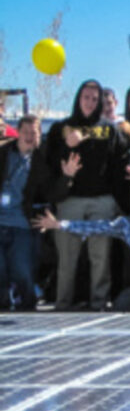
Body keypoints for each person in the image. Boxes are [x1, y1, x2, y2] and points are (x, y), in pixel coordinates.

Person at [45, 79, 130, 310]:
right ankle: (63, 304)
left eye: (95, 99)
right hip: (70, 200)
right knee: (67, 258)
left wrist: (119, 199)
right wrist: (67, 148)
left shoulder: (110, 129)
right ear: (78, 98)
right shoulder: (61, 128)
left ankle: (99, 303)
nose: (90, 102)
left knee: (100, 257)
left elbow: (120, 163)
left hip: (101, 201)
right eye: (86, 97)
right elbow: (49, 161)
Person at [0, 116, 50, 310]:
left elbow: (51, 190)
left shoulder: (41, 160)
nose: (30, 136)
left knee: (22, 271)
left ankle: (28, 308)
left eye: (34, 132)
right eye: (26, 132)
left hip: (21, 223)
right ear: (18, 132)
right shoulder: (4, 154)